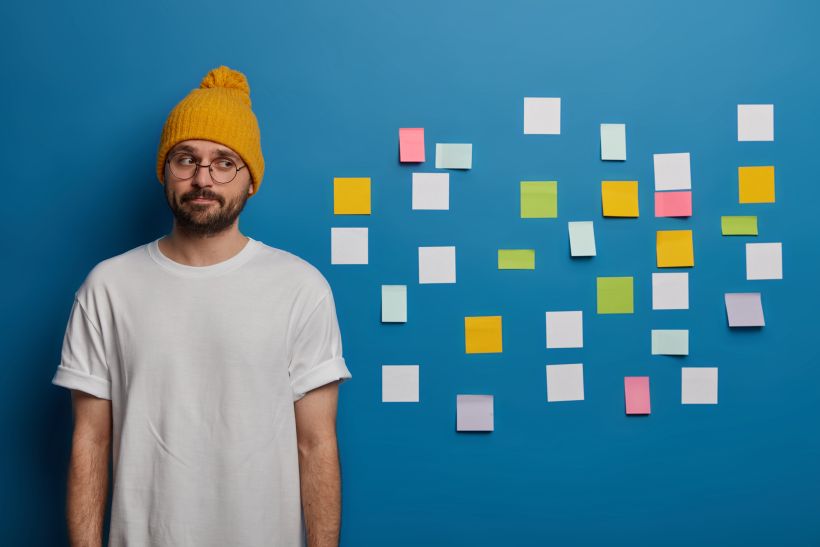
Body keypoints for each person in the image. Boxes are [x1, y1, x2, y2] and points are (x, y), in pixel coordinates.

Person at [51, 65, 352, 547]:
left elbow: (316, 445)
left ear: (250, 179)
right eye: (185, 159)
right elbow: (90, 441)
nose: (202, 179)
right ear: (164, 172)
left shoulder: (300, 286)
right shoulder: (107, 286)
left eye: (224, 162)